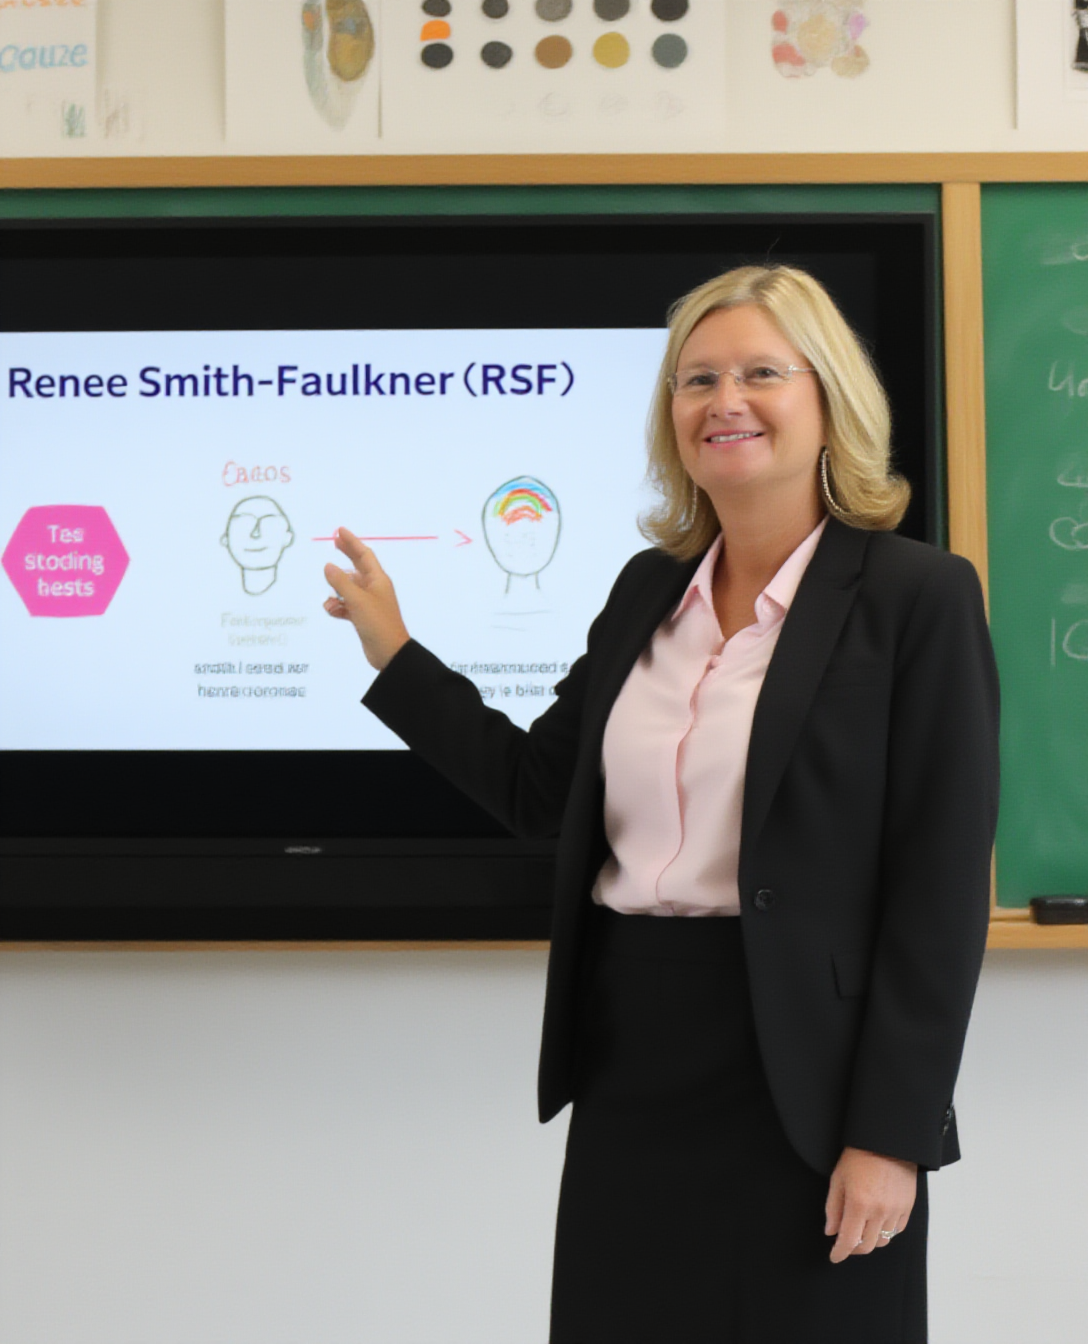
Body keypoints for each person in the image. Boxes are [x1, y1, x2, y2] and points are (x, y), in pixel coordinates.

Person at [322, 265, 1000, 1344]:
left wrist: (893, 1133)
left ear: (827, 401)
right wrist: (395, 658)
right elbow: (537, 793)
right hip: (634, 1057)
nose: (722, 400)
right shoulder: (646, 591)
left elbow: (937, 883)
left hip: (809, 1086)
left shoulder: (916, 597)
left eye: (759, 373)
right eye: (695, 379)